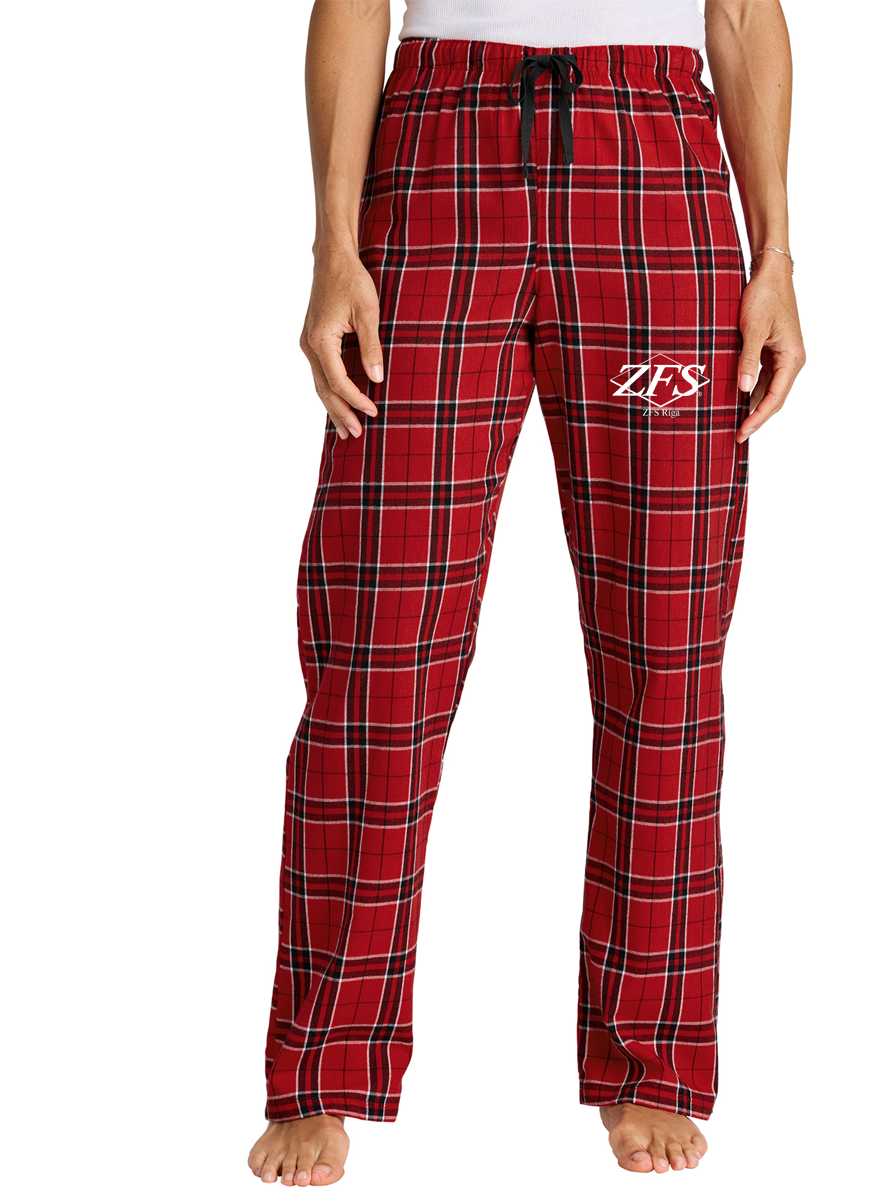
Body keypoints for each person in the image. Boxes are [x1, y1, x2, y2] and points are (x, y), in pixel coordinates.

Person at [248, 0, 804, 1185]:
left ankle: (650, 1054)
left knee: (665, 650)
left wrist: (776, 258)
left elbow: (742, 11)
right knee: (378, 644)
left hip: (651, 162)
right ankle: (325, 1064)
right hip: (439, 156)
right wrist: (334, 247)